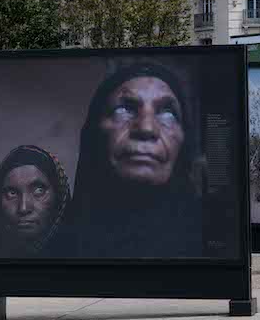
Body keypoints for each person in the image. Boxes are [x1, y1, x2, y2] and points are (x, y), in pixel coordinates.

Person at [61, 63, 203, 258]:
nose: (146, 128)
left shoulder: (210, 243)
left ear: (184, 140)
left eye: (168, 113)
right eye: (124, 109)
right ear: (95, 132)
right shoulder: (62, 246)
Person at [0, 145, 70, 257]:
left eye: (39, 190)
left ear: (59, 194)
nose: (23, 208)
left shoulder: (82, 251)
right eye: (12, 193)